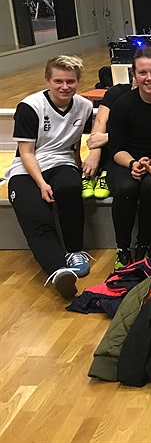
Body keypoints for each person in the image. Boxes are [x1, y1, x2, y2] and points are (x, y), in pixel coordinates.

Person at [6, 56, 94, 298]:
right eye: (58, 81)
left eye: (70, 81)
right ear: (47, 80)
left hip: (62, 162)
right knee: (36, 214)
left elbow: (75, 144)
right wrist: (42, 184)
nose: (65, 87)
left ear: (78, 81)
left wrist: (80, 169)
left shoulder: (84, 107)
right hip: (26, 168)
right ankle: (58, 271)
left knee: (69, 187)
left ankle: (75, 251)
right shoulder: (30, 106)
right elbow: (26, 152)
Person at [107, 47, 151, 266]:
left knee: (150, 185)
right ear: (134, 75)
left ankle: (143, 245)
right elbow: (115, 148)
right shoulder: (122, 105)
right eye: (142, 73)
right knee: (126, 188)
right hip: (126, 161)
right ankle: (122, 248)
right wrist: (133, 164)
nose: (149, 78)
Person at [81, 78, 137, 200]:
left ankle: (105, 172)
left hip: (136, 147)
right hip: (116, 146)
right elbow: (100, 121)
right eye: (141, 73)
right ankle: (92, 173)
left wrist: (108, 137)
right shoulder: (116, 92)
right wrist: (94, 154)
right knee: (109, 124)